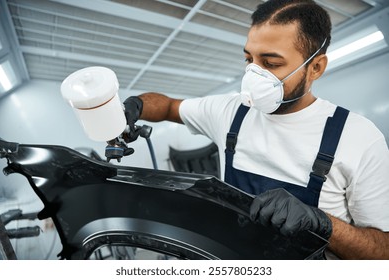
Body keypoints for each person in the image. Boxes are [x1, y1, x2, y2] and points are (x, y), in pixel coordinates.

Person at [123, 0, 389, 259]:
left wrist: (323, 224)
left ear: (316, 67)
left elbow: (383, 252)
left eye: (271, 64)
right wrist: (135, 106)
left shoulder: (358, 137)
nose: (254, 76)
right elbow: (168, 106)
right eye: (249, 59)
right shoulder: (229, 111)